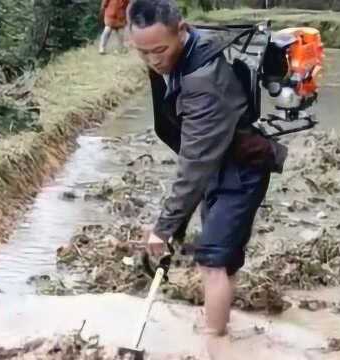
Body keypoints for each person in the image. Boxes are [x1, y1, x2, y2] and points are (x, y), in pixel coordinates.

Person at [126, 0, 280, 357]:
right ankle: (220, 316)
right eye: (142, 52)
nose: (153, 60)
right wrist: (174, 222)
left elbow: (194, 163)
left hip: (241, 170)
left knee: (211, 258)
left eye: (160, 50)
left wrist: (164, 228)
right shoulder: (185, 53)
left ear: (182, 29)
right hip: (219, 162)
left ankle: (216, 339)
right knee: (220, 254)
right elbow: (198, 160)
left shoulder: (202, 81)